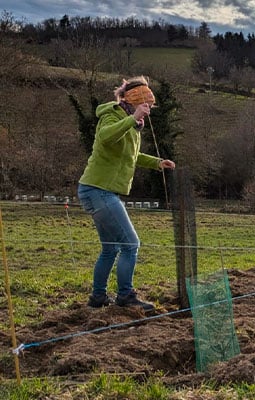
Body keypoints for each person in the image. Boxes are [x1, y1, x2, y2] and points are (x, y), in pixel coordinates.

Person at [78, 76, 176, 311]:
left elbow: (130, 156)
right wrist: (133, 119)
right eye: (147, 105)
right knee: (131, 244)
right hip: (99, 190)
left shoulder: (133, 125)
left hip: (98, 191)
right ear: (135, 101)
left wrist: (157, 163)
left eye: (150, 107)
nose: (149, 110)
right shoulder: (113, 116)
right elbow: (106, 137)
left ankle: (98, 297)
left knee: (110, 248)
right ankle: (125, 296)